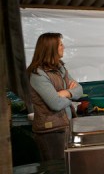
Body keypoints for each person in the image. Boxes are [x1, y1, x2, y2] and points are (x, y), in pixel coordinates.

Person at [27, 32, 83, 161]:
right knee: (56, 168)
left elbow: (80, 90)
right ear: (51, 48)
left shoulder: (60, 69)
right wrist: (71, 98)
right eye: (61, 44)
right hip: (51, 131)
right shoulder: (38, 74)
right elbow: (55, 104)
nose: (64, 47)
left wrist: (66, 93)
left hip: (65, 125)